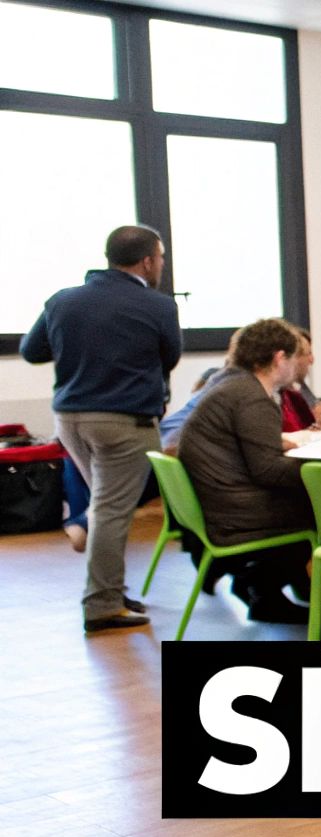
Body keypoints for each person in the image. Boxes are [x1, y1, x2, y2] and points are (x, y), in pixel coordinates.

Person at [20, 225, 182, 633]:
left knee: (106, 507)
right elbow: (171, 357)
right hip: (124, 422)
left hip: (71, 420)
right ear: (147, 261)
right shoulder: (158, 306)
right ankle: (102, 604)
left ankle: (110, 588)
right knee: (111, 511)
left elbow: (31, 350)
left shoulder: (63, 301)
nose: (160, 264)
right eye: (159, 257)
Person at [177, 319, 321, 623]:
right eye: (295, 356)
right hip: (234, 513)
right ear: (279, 357)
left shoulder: (230, 383)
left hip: (219, 503)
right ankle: (261, 587)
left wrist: (277, 443)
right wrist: (320, 470)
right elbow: (269, 470)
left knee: (306, 505)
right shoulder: (253, 397)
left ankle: (265, 591)